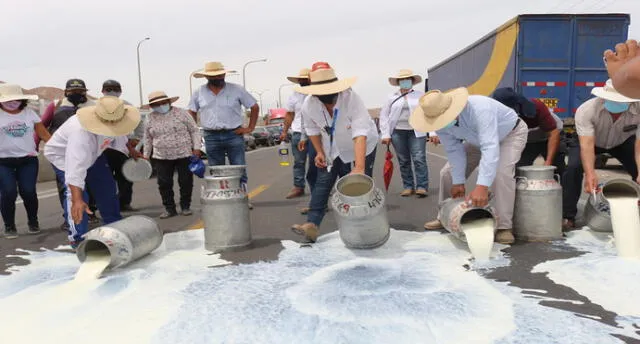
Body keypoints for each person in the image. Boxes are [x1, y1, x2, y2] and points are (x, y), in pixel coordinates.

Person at [416, 88, 528, 244]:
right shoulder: (440, 122)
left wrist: (482, 186)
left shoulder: (480, 109)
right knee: (447, 173)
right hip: (476, 140)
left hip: (510, 135)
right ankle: (446, 215)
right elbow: (453, 149)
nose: (441, 123)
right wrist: (458, 181)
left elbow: (490, 146)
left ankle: (504, 226)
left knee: (501, 174)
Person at [291, 62, 379, 243]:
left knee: (358, 186)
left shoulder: (351, 98)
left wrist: (360, 167)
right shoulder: (309, 104)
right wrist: (319, 153)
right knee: (323, 183)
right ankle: (312, 225)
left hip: (361, 146)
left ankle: (364, 228)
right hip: (332, 149)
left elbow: (360, 133)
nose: (325, 96)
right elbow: (311, 129)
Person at [44, 96, 140, 248]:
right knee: (78, 197)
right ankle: (77, 238)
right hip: (63, 156)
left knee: (107, 189)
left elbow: (119, 137)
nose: (113, 124)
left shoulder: (115, 119)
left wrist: (131, 151)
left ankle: (115, 228)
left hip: (94, 155)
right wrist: (77, 199)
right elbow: (75, 169)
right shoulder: (80, 132)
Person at [562, 79, 640, 229]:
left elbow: (639, 145)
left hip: (622, 142)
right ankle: (567, 215)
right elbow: (587, 145)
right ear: (604, 98)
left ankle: (635, 212)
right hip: (593, 142)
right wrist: (590, 174)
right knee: (573, 168)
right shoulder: (587, 110)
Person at [188, 62, 259, 208]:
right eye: (215, 75)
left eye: (221, 74)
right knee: (216, 169)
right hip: (211, 136)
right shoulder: (199, 92)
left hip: (233, 134)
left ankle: (243, 197)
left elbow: (254, 106)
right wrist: (194, 131)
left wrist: (250, 127)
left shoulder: (236, 89)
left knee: (238, 167)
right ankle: (223, 198)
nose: (219, 77)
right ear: (207, 77)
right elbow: (191, 111)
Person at [40, 79, 100, 230]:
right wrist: (48, 141)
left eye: (80, 92)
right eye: (73, 92)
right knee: (67, 186)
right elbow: (41, 125)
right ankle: (69, 217)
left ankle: (90, 212)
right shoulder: (56, 105)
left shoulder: (93, 106)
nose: (77, 94)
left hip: (86, 151)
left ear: (86, 92)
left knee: (90, 183)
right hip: (63, 153)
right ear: (66, 92)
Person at [0, 85, 51, 239]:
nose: (12, 102)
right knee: (8, 192)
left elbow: (43, 133)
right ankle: (9, 225)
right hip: (3, 162)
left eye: (15, 99)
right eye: (8, 100)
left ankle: (33, 221)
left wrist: (60, 149)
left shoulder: (29, 114)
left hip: (28, 160)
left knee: (28, 191)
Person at [143, 91, 202, 218]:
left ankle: (185, 206)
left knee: (185, 181)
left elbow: (194, 131)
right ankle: (169, 209)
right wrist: (146, 156)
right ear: (152, 106)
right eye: (157, 104)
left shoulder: (181, 113)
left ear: (169, 102)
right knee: (164, 183)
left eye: (163, 103)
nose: (161, 106)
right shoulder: (150, 117)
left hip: (184, 153)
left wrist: (196, 148)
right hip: (161, 156)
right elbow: (147, 138)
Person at [492, 87, 566, 176]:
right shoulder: (495, 115)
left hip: (550, 137)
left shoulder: (537, 107)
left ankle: (564, 189)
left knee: (557, 168)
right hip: (528, 141)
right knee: (517, 170)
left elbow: (553, 134)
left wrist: (548, 163)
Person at [379, 69, 430, 197]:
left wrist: (433, 132)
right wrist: (385, 134)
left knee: (419, 159)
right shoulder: (392, 97)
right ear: (398, 82)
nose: (405, 82)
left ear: (412, 81)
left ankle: (422, 186)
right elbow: (384, 115)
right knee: (403, 160)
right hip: (397, 132)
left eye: (408, 80)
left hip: (416, 131)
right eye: (402, 80)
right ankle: (408, 186)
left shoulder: (420, 95)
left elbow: (428, 114)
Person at [100, 79, 142, 212]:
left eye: (115, 89)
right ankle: (106, 206)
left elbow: (139, 122)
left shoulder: (127, 106)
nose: (112, 92)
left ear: (120, 91)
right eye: (108, 89)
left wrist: (135, 139)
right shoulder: (96, 106)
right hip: (102, 148)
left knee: (125, 177)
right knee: (103, 180)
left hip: (122, 147)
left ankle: (124, 203)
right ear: (103, 91)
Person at [280, 68, 318, 201]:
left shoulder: (318, 92)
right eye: (301, 80)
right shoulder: (295, 95)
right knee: (299, 162)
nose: (302, 81)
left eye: (305, 79)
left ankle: (319, 188)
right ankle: (298, 187)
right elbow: (290, 114)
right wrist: (284, 131)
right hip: (297, 132)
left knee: (317, 162)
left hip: (316, 133)